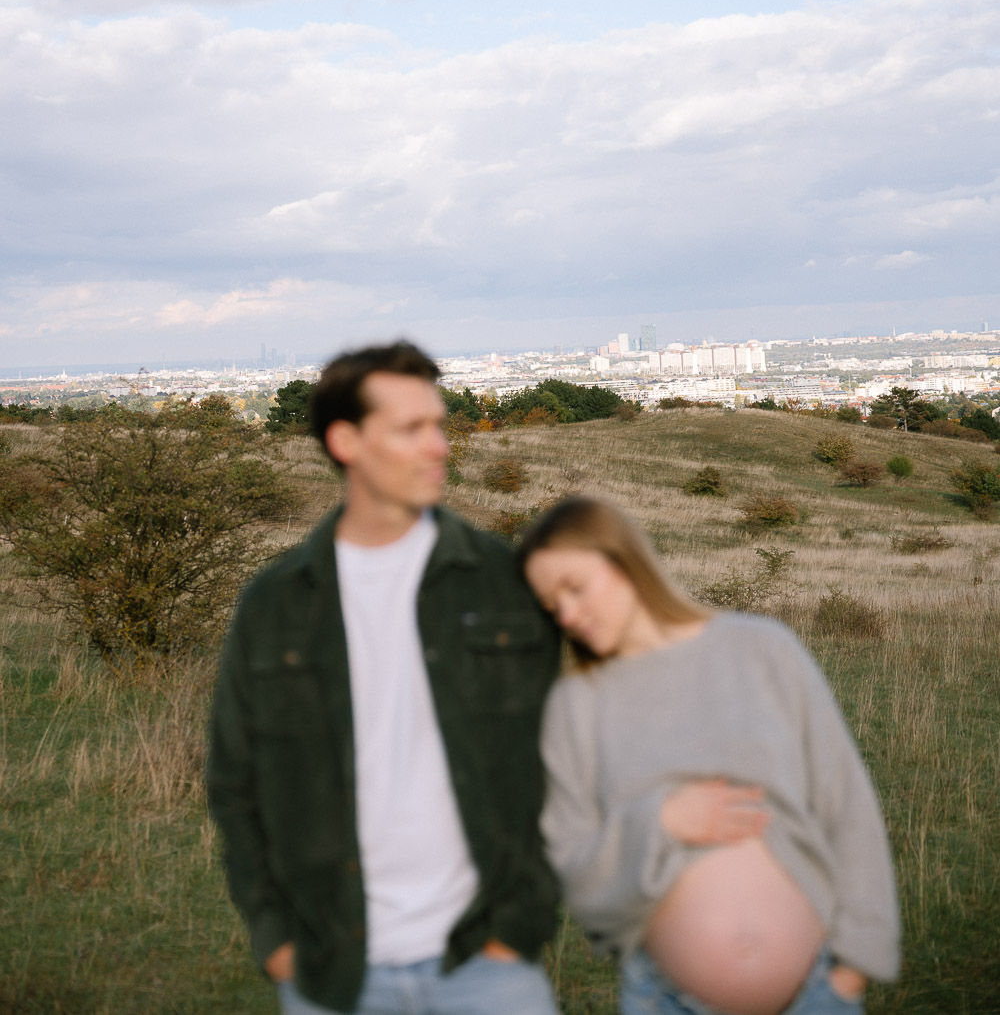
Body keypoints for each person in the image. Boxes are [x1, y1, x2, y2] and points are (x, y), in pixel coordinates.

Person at [207, 342, 561, 1015]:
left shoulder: (501, 581)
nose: (440, 446)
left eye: (439, 424)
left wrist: (521, 925)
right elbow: (235, 780)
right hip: (331, 969)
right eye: (410, 429)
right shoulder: (278, 600)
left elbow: (560, 756)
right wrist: (275, 937)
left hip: (485, 963)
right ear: (345, 440)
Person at [520, 496, 899, 1015]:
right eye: (549, 604)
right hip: (664, 999)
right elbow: (575, 872)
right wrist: (659, 822)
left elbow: (845, 804)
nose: (566, 614)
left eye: (575, 588)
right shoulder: (574, 708)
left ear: (625, 561)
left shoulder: (762, 649)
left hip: (815, 994)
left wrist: (854, 970)